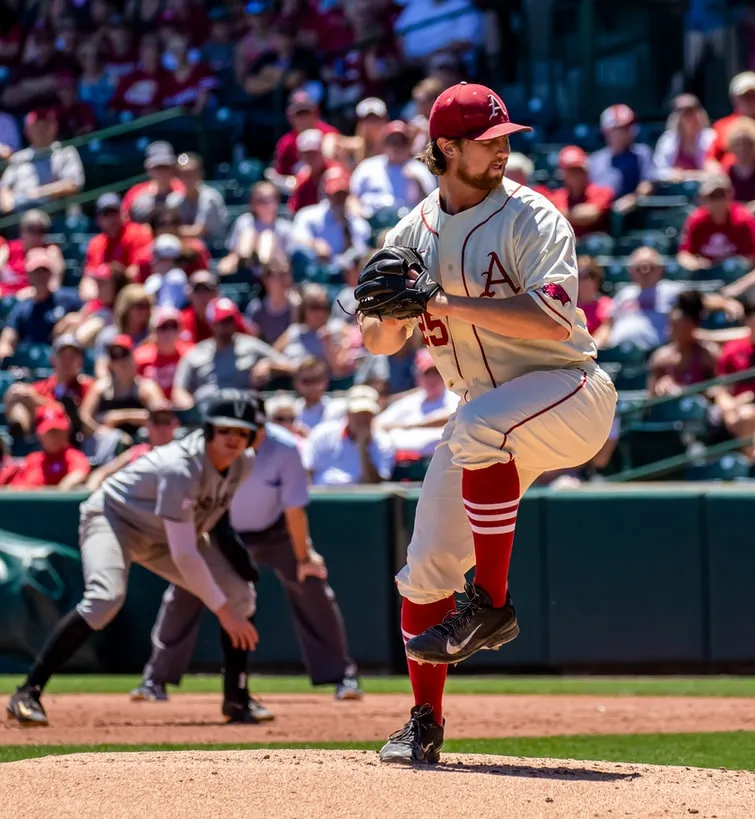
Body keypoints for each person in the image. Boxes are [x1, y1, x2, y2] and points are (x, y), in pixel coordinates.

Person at [358, 82, 617, 764]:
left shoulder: (533, 218)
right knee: (422, 574)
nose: (504, 148)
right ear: (445, 148)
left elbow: (554, 316)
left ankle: (492, 604)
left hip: (569, 390)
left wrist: (439, 297)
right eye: (489, 139)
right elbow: (381, 343)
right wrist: (383, 313)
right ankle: (423, 722)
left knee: (476, 426)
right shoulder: (411, 231)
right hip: (485, 417)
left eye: (506, 137)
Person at [7, 391, 270, 727]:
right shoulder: (180, 467)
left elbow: (213, 515)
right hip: (114, 519)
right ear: (208, 430)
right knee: (104, 599)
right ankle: (28, 691)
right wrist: (223, 614)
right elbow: (186, 554)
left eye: (242, 432)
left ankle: (237, 698)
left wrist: (234, 565)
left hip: (164, 533)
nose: (234, 439)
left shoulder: (243, 463)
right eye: (225, 430)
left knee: (240, 595)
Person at [130, 400, 362, 703]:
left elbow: (294, 508)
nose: (248, 435)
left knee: (312, 582)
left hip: (273, 530)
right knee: (185, 589)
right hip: (219, 532)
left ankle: (342, 677)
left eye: (254, 428)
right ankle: (155, 680)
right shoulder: (214, 448)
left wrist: (305, 556)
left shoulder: (284, 447)